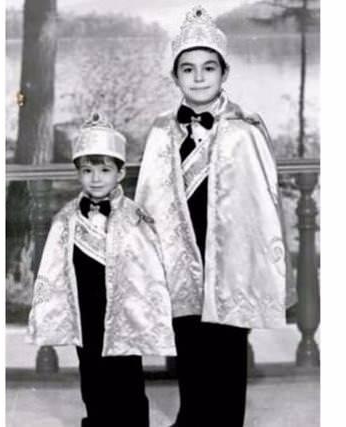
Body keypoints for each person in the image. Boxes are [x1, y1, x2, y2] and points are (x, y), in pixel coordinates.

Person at [134, 6, 296, 427]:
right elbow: (150, 201)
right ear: (175, 76)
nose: (199, 77)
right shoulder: (159, 133)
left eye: (209, 68)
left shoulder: (246, 130)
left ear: (225, 73)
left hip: (229, 263)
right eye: (188, 69)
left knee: (227, 354)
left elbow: (261, 206)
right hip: (180, 260)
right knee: (188, 350)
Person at [27, 113, 176, 427]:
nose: (95, 178)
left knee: (127, 379)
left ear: (120, 172)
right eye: (87, 170)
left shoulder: (136, 218)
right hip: (86, 314)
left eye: (105, 170)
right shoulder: (66, 219)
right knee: (92, 377)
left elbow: (148, 269)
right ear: (78, 173)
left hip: (124, 314)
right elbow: (54, 269)